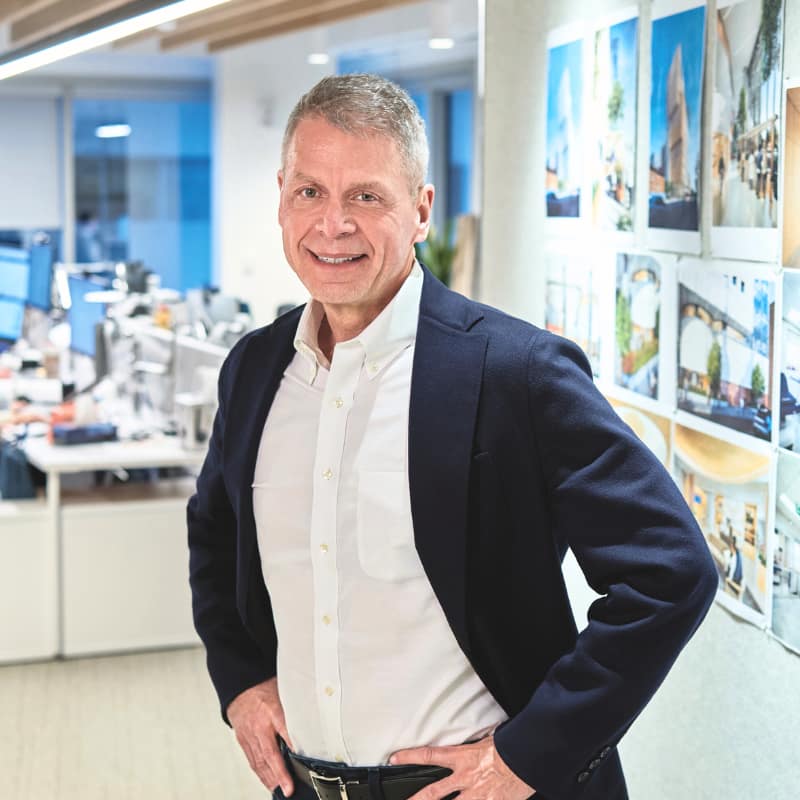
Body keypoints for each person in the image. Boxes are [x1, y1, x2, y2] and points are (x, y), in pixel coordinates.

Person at [188, 74, 717, 800]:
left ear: (420, 210)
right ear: (282, 197)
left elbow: (671, 571)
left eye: (366, 196)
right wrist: (241, 678)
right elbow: (215, 533)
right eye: (310, 191)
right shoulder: (255, 367)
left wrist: (533, 755)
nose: (333, 224)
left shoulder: (516, 373)